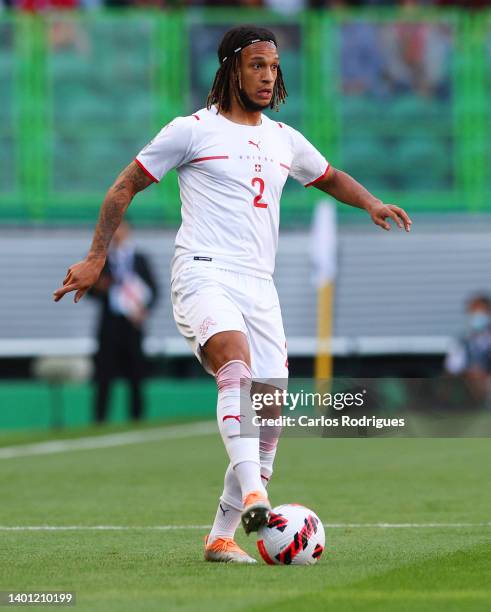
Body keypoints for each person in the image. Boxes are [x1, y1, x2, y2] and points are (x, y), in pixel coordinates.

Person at [53, 25, 412, 563]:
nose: (268, 77)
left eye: (273, 67)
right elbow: (123, 185)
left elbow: (330, 175)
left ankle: (221, 536)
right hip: (203, 271)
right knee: (236, 369)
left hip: (258, 285)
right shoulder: (191, 131)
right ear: (229, 70)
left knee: (268, 417)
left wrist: (371, 203)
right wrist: (98, 256)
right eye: (257, 66)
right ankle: (256, 497)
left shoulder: (283, 138)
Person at [89, 220, 158, 423]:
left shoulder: (139, 259)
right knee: (104, 374)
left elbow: (154, 290)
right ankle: (99, 420)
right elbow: (90, 290)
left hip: (133, 325)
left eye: (121, 228)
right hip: (109, 324)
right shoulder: (100, 259)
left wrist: (144, 309)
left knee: (136, 372)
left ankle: (137, 419)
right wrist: (100, 287)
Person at [445, 294, 491, 406]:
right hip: (469, 384)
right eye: (474, 311)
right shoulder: (462, 340)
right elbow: (453, 367)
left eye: (481, 310)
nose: (477, 315)